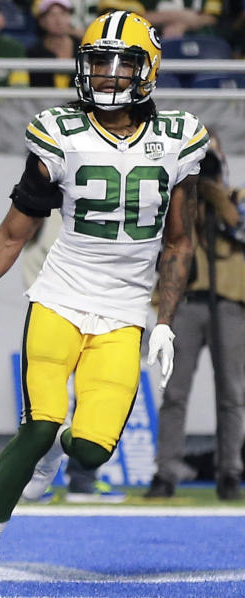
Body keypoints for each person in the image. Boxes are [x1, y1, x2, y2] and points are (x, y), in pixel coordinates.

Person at [0, 11, 207, 585]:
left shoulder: (179, 139)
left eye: (122, 64)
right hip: (60, 298)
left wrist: (164, 321)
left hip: (122, 312)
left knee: (89, 450)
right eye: (98, 62)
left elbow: (180, 241)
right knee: (39, 423)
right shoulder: (60, 132)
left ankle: (55, 454)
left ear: (149, 71)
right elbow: (12, 233)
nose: (108, 76)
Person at [145, 134, 245, 501]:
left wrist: (219, 197)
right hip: (186, 302)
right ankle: (165, 471)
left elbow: (241, 228)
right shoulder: (179, 203)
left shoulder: (237, 198)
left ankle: (231, 471)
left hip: (231, 304)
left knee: (232, 393)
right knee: (175, 392)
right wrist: (191, 195)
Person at [19, 212, 126, 504]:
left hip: (97, 310)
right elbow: (18, 237)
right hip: (53, 308)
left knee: (94, 397)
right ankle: (32, 473)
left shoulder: (102, 201)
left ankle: (83, 479)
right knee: (48, 402)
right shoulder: (49, 201)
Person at [27, 0, 80, 89]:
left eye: (63, 13)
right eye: (52, 15)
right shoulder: (34, 52)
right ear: (42, 21)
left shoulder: (82, 47)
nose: (59, 20)